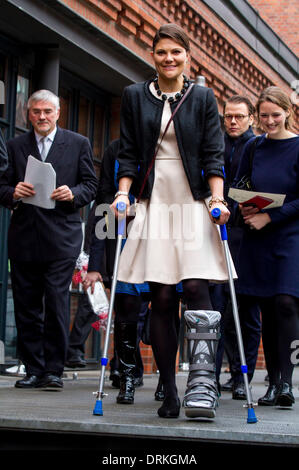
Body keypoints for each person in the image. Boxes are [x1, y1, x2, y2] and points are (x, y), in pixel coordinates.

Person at [111, 23, 232, 420]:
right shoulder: (133, 96)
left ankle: (202, 384)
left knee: (196, 285)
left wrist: (217, 198)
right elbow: (128, 150)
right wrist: (123, 192)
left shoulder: (201, 96)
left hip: (192, 197)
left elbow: (214, 152)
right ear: (153, 55)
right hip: (155, 197)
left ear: (187, 56)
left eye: (176, 52)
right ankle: (168, 386)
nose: (169, 59)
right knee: (161, 295)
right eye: (162, 52)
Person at [0, 89, 98, 390]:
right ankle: (33, 369)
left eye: (47, 112)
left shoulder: (78, 143)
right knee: (28, 307)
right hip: (25, 237)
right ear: (28, 114)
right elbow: (1, 185)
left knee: (56, 302)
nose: (42, 117)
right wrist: (12, 193)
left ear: (58, 113)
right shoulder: (16, 145)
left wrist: (73, 194)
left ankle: (54, 370)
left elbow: (91, 185)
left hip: (61, 237)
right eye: (36, 112)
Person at [84, 139, 181, 404]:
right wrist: (95, 264)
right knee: (126, 307)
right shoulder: (116, 149)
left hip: (166, 234)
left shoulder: (173, 142)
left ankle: (166, 379)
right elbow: (102, 203)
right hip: (126, 237)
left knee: (168, 306)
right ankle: (127, 378)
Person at [235, 86, 299, 407]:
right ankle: (273, 382)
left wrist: (270, 218)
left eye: (276, 114)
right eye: (264, 115)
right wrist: (245, 209)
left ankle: (287, 382)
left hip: (290, 235)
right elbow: (240, 185)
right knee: (266, 308)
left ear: (287, 112)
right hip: (256, 236)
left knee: (286, 303)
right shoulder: (252, 146)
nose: (270, 120)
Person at [210, 95, 261, 400]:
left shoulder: (258, 146)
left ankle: (243, 376)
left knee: (245, 312)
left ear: (250, 118)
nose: (232, 121)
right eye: (228, 116)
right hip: (215, 235)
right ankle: (210, 377)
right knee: (216, 308)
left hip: (247, 238)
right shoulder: (216, 144)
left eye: (239, 117)